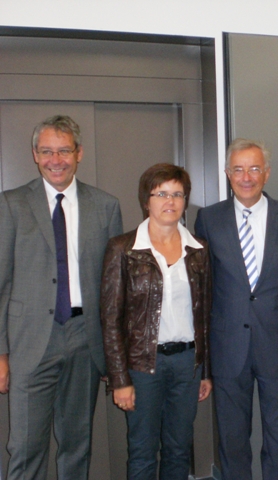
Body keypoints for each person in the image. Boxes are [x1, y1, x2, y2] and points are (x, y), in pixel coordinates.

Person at [0, 115, 123, 479]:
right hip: (28, 343)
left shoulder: (105, 206)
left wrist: (113, 354)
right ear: (35, 155)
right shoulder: (11, 204)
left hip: (85, 341)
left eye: (64, 151)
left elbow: (113, 291)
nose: (56, 160)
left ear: (78, 153)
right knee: (25, 448)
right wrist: (0, 352)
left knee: (77, 445)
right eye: (47, 151)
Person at [195, 138, 278, 480]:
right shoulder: (208, 219)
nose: (246, 177)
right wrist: (204, 360)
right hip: (227, 347)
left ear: (267, 173)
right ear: (227, 173)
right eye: (238, 169)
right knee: (232, 440)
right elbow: (203, 292)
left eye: (254, 169)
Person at [101, 163, 212, 479]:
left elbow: (205, 315)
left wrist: (205, 371)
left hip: (187, 364)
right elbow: (110, 320)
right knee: (142, 452)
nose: (170, 201)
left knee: (179, 450)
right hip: (142, 367)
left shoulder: (199, 249)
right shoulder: (123, 249)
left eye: (178, 194)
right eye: (161, 193)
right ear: (146, 200)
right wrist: (119, 379)